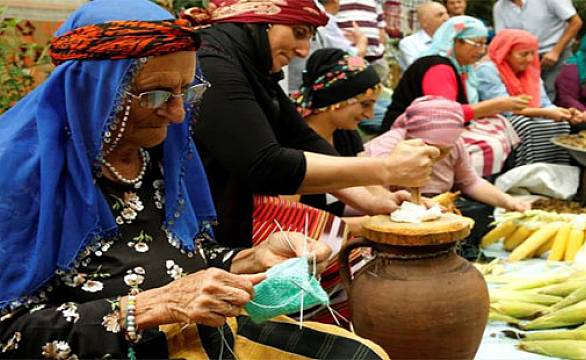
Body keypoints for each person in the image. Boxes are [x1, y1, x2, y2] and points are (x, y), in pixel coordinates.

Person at [0, 1, 390, 358]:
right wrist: (150, 308)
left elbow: (185, 255)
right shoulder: (19, 178)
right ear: (93, 89)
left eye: (186, 92)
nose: (177, 115)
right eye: (155, 95)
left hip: (193, 337)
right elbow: (9, 331)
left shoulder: (153, 153)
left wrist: (249, 258)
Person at [189, 0, 438, 248]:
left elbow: (301, 139)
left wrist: (375, 200)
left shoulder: (248, 63)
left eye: (309, 37)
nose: (303, 51)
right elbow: (265, 164)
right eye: (299, 33)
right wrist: (386, 169)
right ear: (258, 20)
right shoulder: (214, 62)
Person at [365, 96, 530, 258]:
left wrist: (508, 201)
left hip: (436, 208)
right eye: (430, 148)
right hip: (397, 215)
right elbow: (373, 198)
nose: (436, 156)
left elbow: (470, 182)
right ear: (411, 137)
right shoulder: (387, 150)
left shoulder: (455, 145)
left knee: (481, 213)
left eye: (444, 150)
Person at [381, 16, 530, 177]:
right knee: (491, 144)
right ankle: (468, 190)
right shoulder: (439, 67)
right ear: (455, 41)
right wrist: (498, 105)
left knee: (504, 125)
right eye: (476, 44)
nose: (481, 51)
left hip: (434, 127)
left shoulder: (462, 68)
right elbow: (443, 116)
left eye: (483, 44)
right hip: (408, 133)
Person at [292, 48, 408, 221]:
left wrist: (400, 204)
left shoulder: (346, 134)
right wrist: (367, 224)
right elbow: (285, 219)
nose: (370, 114)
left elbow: (368, 185)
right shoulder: (291, 142)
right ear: (336, 100)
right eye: (365, 104)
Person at [477, 29, 578, 167]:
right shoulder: (488, 70)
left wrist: (565, 113)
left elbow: (544, 103)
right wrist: (545, 113)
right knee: (524, 125)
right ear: (506, 53)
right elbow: (504, 109)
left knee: (562, 124)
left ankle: (551, 173)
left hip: (529, 113)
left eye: (533, 53)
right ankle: (522, 173)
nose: (530, 59)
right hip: (497, 117)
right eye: (523, 54)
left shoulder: (531, 72)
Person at [493, 0, 583, 101]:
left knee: (559, 93)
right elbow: (501, 38)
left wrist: (555, 51)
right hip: (522, 58)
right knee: (531, 95)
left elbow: (576, 22)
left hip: (556, 51)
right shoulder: (500, 7)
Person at [287, 0, 368, 92]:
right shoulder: (318, 13)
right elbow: (351, 60)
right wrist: (362, 41)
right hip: (298, 91)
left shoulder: (315, 12)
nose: (303, 51)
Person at [337, 0, 389, 82]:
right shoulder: (336, 2)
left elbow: (381, 29)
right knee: (354, 86)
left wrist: (381, 48)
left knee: (377, 87)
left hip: (375, 57)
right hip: (351, 56)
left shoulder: (375, 3)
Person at [398, 2, 449, 70]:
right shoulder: (409, 43)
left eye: (447, 13)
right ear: (424, 22)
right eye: (440, 15)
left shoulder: (452, 40)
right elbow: (420, 70)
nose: (446, 18)